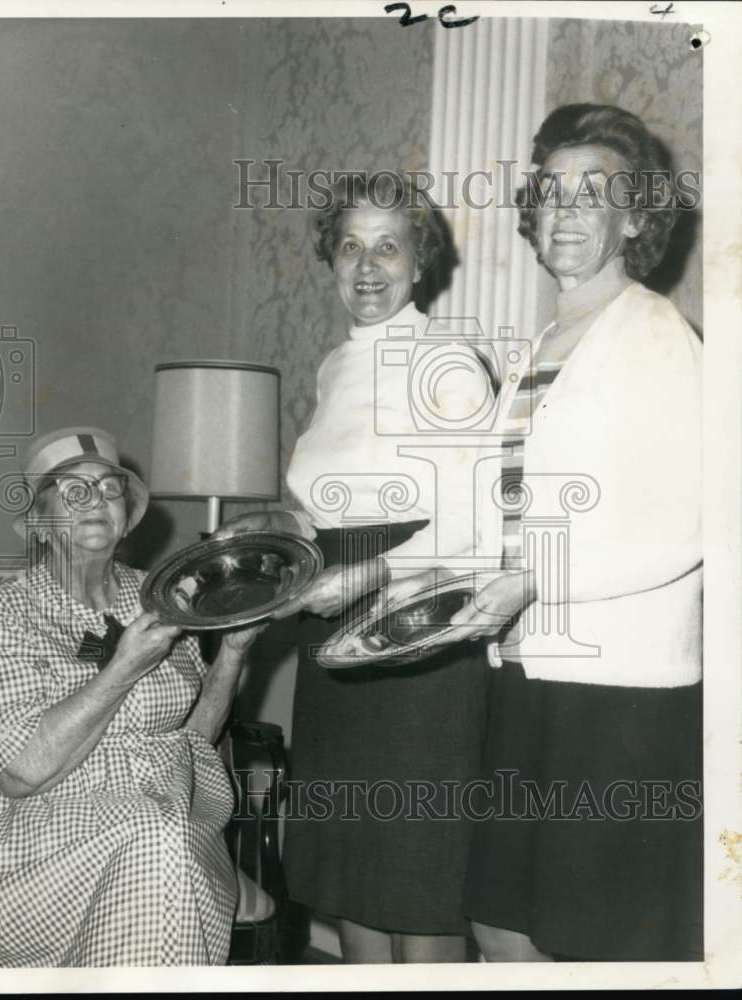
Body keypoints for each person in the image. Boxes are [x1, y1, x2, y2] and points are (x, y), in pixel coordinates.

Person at [424, 103, 702, 961]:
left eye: (595, 194)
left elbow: (694, 520)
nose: (567, 212)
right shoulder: (541, 343)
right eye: (552, 192)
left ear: (634, 218)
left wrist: (539, 580)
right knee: (499, 926)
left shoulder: (655, 334)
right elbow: (506, 506)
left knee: (592, 941)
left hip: (620, 692)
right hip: (528, 667)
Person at [215, 173, 495, 963]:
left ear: (419, 261)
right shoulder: (337, 366)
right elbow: (325, 504)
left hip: (422, 632)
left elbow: (477, 521)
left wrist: (364, 577)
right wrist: (280, 533)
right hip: (333, 633)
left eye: (387, 246)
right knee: (352, 871)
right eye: (348, 246)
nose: (366, 266)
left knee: (418, 875)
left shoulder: (445, 359)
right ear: (330, 260)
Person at [0, 427, 260, 967]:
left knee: (161, 837)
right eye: (72, 491)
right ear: (38, 522)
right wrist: (124, 668)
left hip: (168, 813)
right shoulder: (6, 611)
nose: (96, 500)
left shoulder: (162, 594)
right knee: (157, 841)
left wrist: (234, 655)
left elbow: (193, 742)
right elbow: (18, 772)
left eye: (109, 488)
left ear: (127, 513)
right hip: (43, 837)